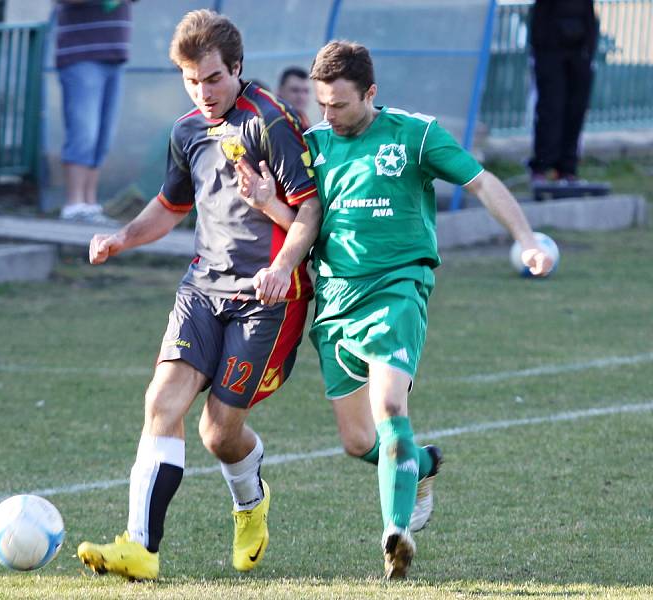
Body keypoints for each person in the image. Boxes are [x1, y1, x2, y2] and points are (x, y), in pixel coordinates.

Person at [246, 41, 555, 580]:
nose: (329, 115)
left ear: (370, 93)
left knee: (390, 409)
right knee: (358, 441)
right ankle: (423, 463)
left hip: (397, 290)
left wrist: (526, 238)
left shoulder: (416, 135)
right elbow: (306, 221)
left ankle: (396, 532)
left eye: (340, 104)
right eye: (322, 104)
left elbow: (481, 183)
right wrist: (266, 201)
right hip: (335, 302)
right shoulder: (313, 144)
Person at [75, 9, 321, 580]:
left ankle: (249, 501)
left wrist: (284, 266)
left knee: (217, 432)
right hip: (203, 288)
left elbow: (310, 209)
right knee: (161, 403)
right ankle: (140, 548)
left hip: (268, 299)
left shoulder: (272, 122)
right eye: (192, 81)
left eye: (213, 78)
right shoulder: (187, 130)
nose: (204, 92)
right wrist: (122, 238)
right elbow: (170, 205)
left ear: (236, 67)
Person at [55, 0, 136, 222]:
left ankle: (89, 204)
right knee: (83, 133)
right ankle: (73, 204)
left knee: (103, 136)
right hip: (80, 56)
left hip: (114, 54)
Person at [528, 0, 598, 185]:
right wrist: (541, 51)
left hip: (579, 53)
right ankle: (542, 167)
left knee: (576, 110)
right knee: (551, 109)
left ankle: (567, 169)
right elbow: (539, 20)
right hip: (551, 53)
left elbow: (590, 18)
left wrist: (589, 51)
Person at [277, 66, 312, 131]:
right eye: (295, 90)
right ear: (279, 91)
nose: (301, 96)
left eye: (306, 91)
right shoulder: (277, 122)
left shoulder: (302, 120)